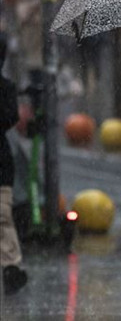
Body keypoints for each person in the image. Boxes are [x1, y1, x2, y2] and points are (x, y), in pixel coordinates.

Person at [0, 32, 27, 295]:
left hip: (1, 164)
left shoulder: (6, 87)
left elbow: (10, 117)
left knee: (2, 215)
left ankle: (11, 266)